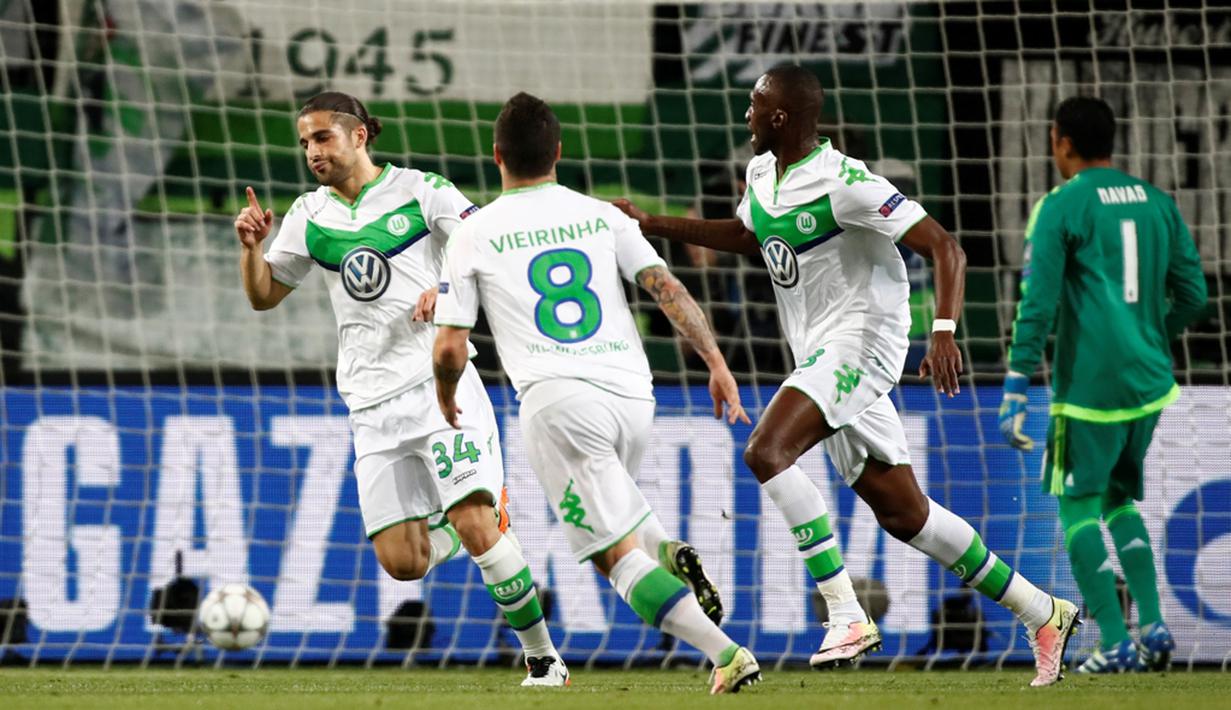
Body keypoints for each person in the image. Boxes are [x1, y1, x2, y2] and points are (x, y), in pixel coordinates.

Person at [614, 64, 1078, 687]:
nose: (746, 116)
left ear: (780, 116)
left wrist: (942, 331)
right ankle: (1043, 612)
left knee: (766, 451)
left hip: (864, 339)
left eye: (754, 106)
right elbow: (752, 237)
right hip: (819, 351)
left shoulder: (848, 183)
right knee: (904, 513)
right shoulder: (761, 173)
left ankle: (845, 613)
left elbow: (947, 248)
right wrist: (653, 222)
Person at [432, 92, 761, 694]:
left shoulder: (475, 232)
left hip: (558, 402)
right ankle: (667, 548)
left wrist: (445, 391)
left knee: (614, 558)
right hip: (635, 396)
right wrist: (717, 362)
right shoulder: (603, 215)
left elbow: (451, 345)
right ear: (558, 152)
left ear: (496, 155)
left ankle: (726, 653)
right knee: (620, 512)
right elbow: (667, 288)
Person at [234, 91, 566, 687]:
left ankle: (543, 658)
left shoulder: (421, 191)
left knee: (473, 521)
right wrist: (251, 249)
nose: (312, 151)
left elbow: (486, 242)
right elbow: (263, 296)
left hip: (439, 385)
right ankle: (474, 518)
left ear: (359, 136)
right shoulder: (310, 215)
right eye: (305, 141)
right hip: (369, 402)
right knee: (403, 563)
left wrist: (448, 287)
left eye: (322, 138)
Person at [999, 96, 1208, 673]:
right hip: (1149, 384)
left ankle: (1115, 643)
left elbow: (1036, 301)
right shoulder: (1158, 202)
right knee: (1117, 497)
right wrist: (1151, 337)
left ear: (1060, 141)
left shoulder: (1061, 205)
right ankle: (1155, 625)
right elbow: (1196, 296)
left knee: (1076, 509)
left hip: (1089, 388)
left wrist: (1017, 379)